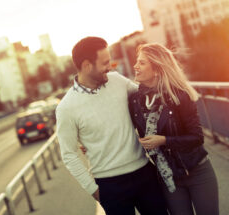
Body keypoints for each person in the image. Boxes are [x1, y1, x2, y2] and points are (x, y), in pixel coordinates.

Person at [56, 36, 168, 215]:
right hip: (109, 186)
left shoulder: (117, 81)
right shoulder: (66, 108)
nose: (110, 67)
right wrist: (95, 191)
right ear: (87, 65)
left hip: (144, 174)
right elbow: (69, 155)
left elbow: (148, 96)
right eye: (105, 63)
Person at [129, 43, 219, 215]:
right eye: (137, 62)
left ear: (156, 69)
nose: (136, 66)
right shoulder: (134, 101)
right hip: (168, 177)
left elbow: (197, 137)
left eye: (142, 63)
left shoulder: (179, 95)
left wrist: (164, 141)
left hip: (197, 172)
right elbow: (120, 126)